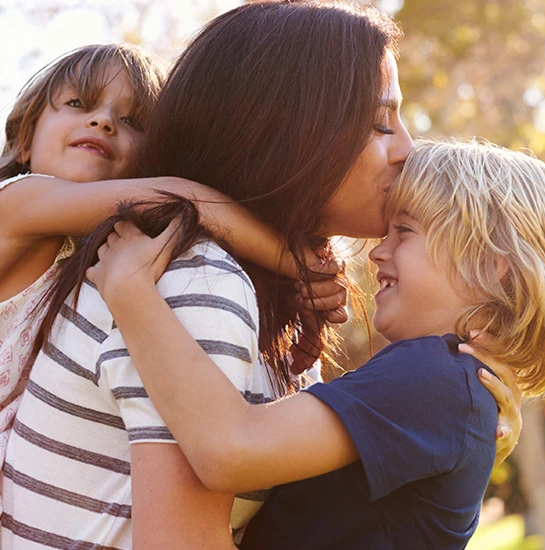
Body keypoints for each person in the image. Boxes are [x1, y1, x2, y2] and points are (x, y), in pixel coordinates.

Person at [2, 2, 520, 548]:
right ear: (283, 130)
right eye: (377, 123)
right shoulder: (193, 281)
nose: (407, 150)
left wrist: (450, 427)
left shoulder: (261, 302)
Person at [89, 138, 545, 549]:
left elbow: (230, 449)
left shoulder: (435, 374)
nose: (377, 252)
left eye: (405, 231)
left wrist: (130, 291)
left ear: (490, 266)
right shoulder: (453, 386)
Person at [0, 41, 327, 485]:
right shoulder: (18, 201)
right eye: (78, 103)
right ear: (24, 135)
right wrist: (302, 265)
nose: (102, 121)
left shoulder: (100, 252)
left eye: (131, 121)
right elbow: (182, 198)